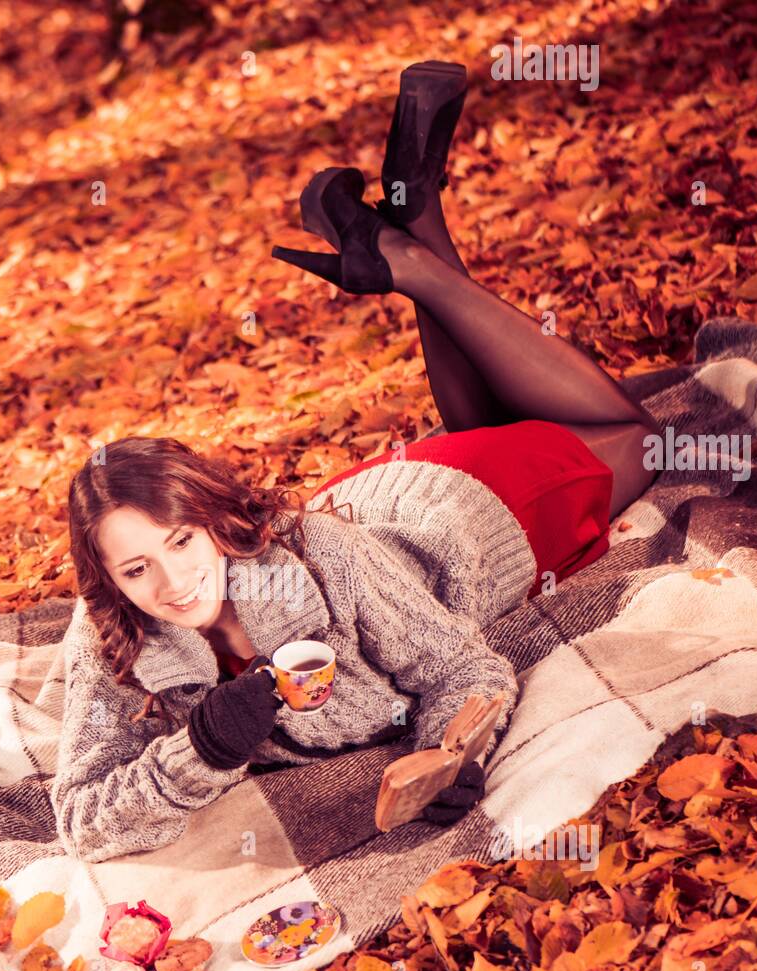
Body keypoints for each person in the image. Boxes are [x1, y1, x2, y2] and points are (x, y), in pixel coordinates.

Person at [49, 61, 665, 864]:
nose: (171, 584)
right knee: (500, 412)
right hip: (373, 505)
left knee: (635, 437)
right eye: (135, 571)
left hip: (464, 520)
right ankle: (408, 229)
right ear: (106, 581)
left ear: (210, 523)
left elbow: (462, 664)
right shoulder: (112, 638)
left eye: (180, 542)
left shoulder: (319, 555)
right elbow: (84, 820)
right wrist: (196, 751)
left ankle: (407, 256)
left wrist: (453, 750)